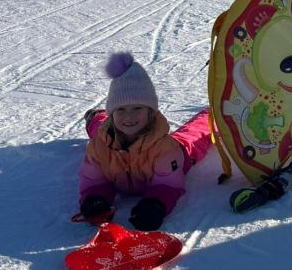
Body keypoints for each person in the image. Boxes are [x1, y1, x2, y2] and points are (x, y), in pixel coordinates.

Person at [77, 52, 212, 230]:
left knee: (195, 136)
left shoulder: (166, 149)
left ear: (150, 112)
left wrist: (156, 204)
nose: (129, 116)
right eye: (121, 109)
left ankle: (212, 116)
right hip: (109, 133)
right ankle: (96, 117)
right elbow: (93, 180)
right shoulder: (99, 146)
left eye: (137, 108)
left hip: (175, 152)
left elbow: (167, 185)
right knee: (102, 130)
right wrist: (94, 199)